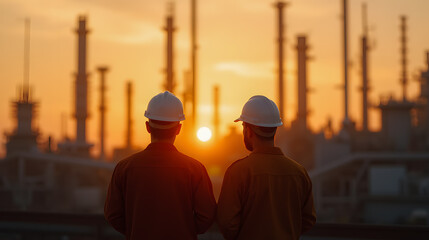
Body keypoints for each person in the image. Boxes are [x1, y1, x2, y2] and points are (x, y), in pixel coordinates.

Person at [105, 91, 216, 240]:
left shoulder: (124, 168)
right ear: (178, 129)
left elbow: (113, 214)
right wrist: (183, 230)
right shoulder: (195, 169)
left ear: (147, 126)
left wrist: (138, 230)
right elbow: (207, 216)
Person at [217, 95, 316, 240]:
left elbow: (227, 223)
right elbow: (308, 219)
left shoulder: (238, 172)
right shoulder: (299, 172)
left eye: (243, 126)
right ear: (275, 129)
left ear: (248, 130)